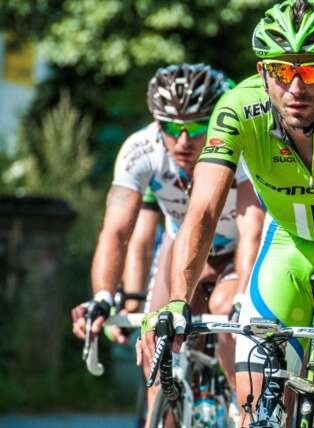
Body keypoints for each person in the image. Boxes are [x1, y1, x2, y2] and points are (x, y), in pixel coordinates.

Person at [139, 1, 314, 427]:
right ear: (263, 74)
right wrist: (176, 300)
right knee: (253, 402)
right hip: (290, 241)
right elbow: (204, 209)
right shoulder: (237, 109)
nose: (296, 87)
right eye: (282, 71)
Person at [70, 63, 254, 426]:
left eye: (198, 126)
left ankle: (244, 408)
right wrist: (104, 295)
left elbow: (253, 230)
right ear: (157, 124)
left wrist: (242, 297)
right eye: (171, 127)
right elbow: (117, 232)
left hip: (238, 249)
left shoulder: (243, 145)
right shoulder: (141, 149)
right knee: (156, 339)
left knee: (226, 314)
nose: (183, 141)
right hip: (183, 247)